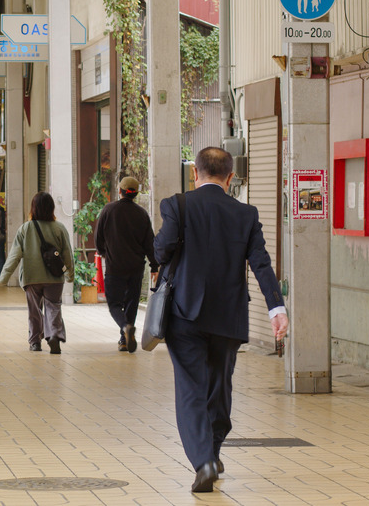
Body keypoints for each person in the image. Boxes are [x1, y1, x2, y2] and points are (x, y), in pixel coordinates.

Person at [153, 147, 288, 493]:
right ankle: (212, 451)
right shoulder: (246, 214)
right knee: (219, 388)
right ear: (230, 178)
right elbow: (261, 262)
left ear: (194, 174)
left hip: (184, 313)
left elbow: (161, 250)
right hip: (228, 316)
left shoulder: (177, 205)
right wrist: (276, 309)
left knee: (191, 390)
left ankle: (204, 461)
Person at [0, 192, 74, 354]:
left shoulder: (25, 228)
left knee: (34, 310)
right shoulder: (59, 228)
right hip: (54, 277)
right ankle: (54, 335)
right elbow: (67, 254)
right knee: (53, 306)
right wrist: (70, 274)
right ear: (51, 208)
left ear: (33, 208)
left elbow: (14, 255)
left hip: (32, 277)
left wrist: (4, 277)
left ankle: (35, 342)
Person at [94, 175, 158, 353]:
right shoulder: (142, 214)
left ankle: (124, 327)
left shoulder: (108, 210)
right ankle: (124, 340)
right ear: (136, 194)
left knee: (114, 303)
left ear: (120, 191)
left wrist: (105, 254)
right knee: (131, 303)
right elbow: (149, 243)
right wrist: (154, 266)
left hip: (115, 267)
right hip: (136, 267)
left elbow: (98, 239)